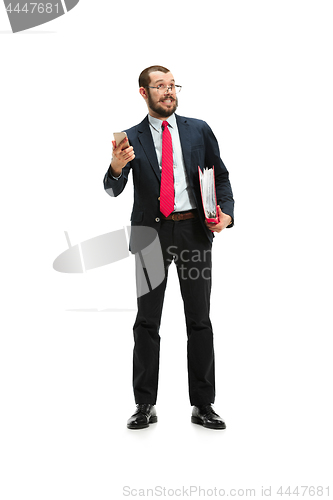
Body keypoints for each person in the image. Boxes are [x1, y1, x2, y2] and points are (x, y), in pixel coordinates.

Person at [103, 65, 234, 430]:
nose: (168, 91)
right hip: (150, 238)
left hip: (193, 232)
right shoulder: (130, 138)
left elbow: (220, 176)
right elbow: (113, 189)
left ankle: (203, 404)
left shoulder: (199, 129)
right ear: (143, 93)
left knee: (199, 320)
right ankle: (145, 404)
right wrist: (115, 168)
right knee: (147, 321)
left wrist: (227, 215)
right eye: (159, 86)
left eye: (172, 85)